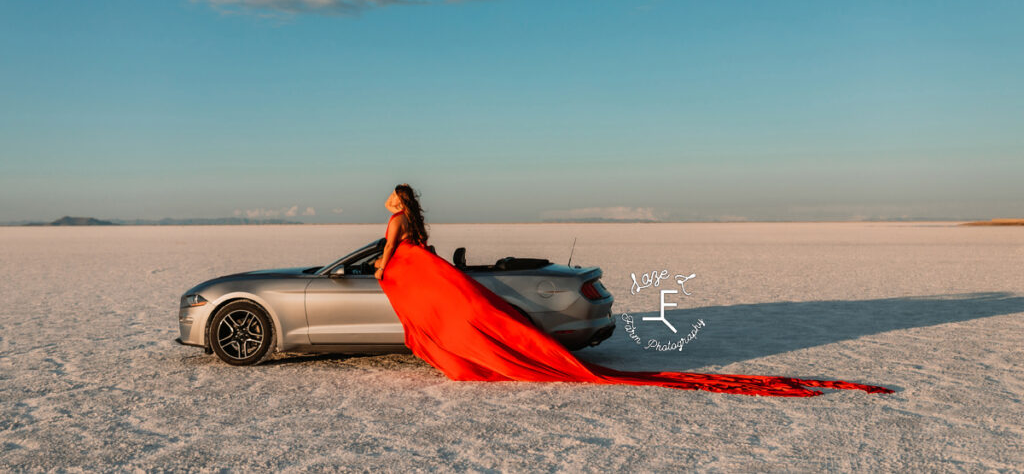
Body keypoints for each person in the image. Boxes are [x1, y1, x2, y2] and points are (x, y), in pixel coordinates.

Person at [373, 183, 894, 397]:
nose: (390, 203)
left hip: (416, 274)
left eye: (392, 199)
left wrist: (382, 271)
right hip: (433, 271)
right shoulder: (417, 225)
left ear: (399, 204)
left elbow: (381, 268)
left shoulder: (396, 226)